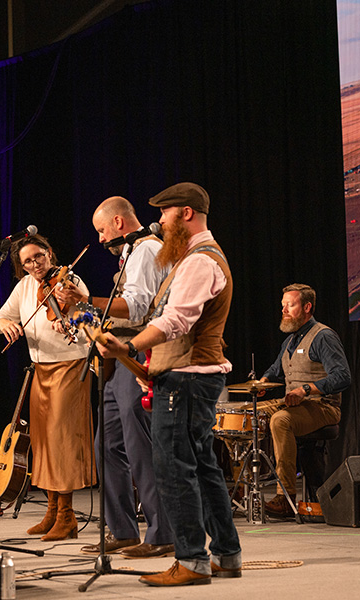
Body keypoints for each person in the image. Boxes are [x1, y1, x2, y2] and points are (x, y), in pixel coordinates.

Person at [96, 182, 242, 586]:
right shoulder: (191, 258)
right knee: (202, 467)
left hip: (187, 380)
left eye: (165, 213)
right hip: (187, 377)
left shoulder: (199, 261)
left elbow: (176, 320)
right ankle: (227, 556)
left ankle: (191, 560)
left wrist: (128, 345)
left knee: (174, 469)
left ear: (186, 214)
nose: (159, 221)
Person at [55, 196, 174, 558]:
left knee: (140, 445)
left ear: (119, 223)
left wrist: (88, 302)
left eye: (102, 230)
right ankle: (122, 531)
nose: (101, 237)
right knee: (106, 446)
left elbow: (138, 307)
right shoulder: (129, 254)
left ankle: (162, 533)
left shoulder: (144, 250)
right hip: (116, 358)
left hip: (137, 353)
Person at [0, 234, 96, 541]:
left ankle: (67, 516)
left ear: (50, 253)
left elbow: (87, 317)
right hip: (41, 369)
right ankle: (52, 512)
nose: (35, 264)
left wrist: (70, 324)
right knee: (44, 441)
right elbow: (0, 317)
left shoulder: (70, 280)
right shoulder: (24, 286)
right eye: (27, 261)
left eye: (38, 257)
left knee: (63, 439)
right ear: (20, 266)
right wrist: (6, 325)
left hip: (70, 365)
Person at [259, 283, 351, 518]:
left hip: (324, 407)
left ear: (307, 307)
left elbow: (343, 377)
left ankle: (285, 497)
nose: (284, 310)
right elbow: (276, 368)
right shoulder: (290, 340)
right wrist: (264, 380)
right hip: (296, 404)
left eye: (290, 305)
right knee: (246, 414)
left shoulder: (323, 336)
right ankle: (241, 489)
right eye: (283, 306)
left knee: (280, 421)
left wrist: (307, 389)